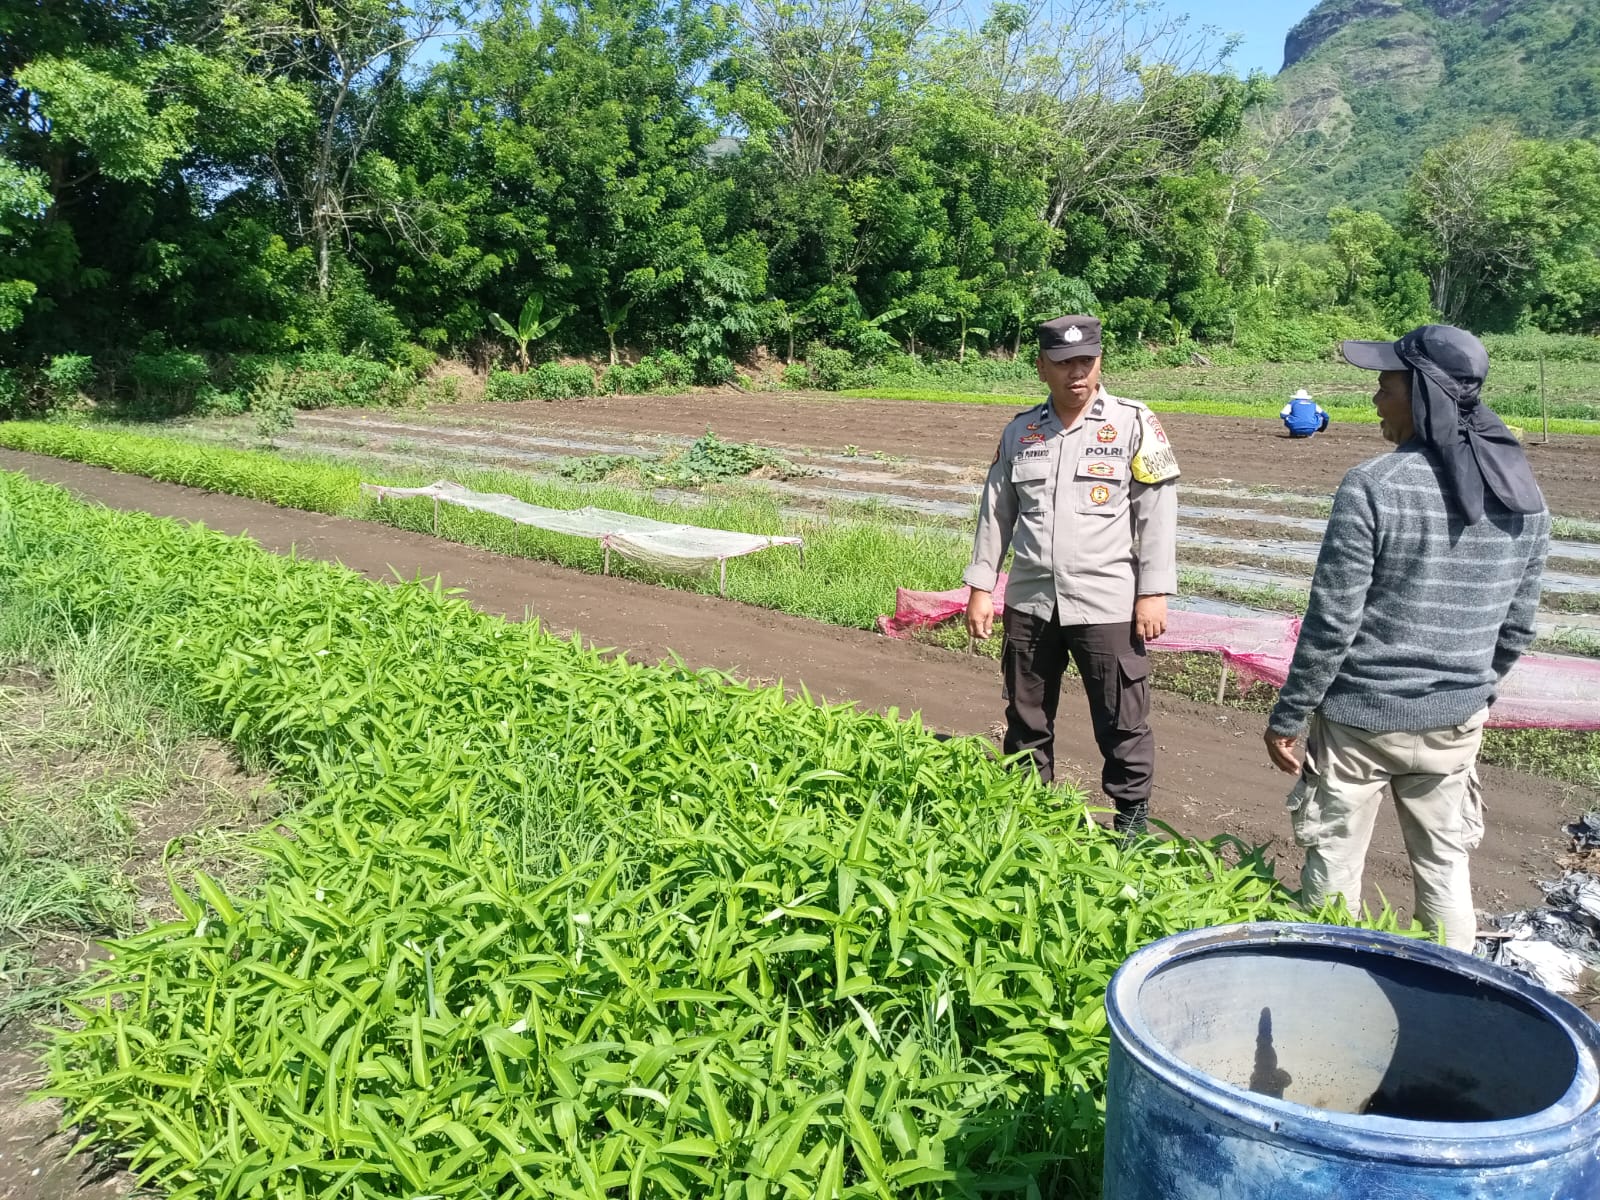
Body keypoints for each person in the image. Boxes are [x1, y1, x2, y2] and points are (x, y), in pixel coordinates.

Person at [1263, 325, 1549, 952]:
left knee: (1333, 867)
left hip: (1360, 724)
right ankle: (1450, 992)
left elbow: (1333, 621)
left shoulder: (1374, 485)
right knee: (1445, 870)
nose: (1375, 401)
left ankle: (1324, 982)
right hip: (1454, 724)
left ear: (1422, 396)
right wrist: (1468, 688)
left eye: (1386, 387)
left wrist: (1289, 714)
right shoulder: (1524, 496)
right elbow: (1517, 627)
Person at [965, 315, 1180, 837]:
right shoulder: (1021, 432)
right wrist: (980, 587)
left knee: (1122, 718)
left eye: (1086, 361)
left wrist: (1153, 591)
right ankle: (1029, 817)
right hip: (1031, 600)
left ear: (1100, 362)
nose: (1076, 373)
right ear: (1042, 367)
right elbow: (996, 513)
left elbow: (1157, 513)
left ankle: (1129, 825)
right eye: (1063, 363)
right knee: (1026, 714)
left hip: (1106, 601)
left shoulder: (1133, 423)